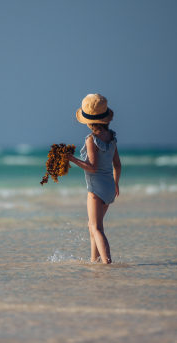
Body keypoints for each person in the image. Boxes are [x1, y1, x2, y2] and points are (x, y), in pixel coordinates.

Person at [65, 94, 121, 264]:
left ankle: (107, 263)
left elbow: (92, 167)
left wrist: (72, 159)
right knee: (92, 226)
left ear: (88, 122)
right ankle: (94, 260)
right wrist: (116, 183)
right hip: (109, 188)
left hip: (96, 189)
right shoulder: (112, 138)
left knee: (97, 228)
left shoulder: (91, 139)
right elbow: (117, 165)